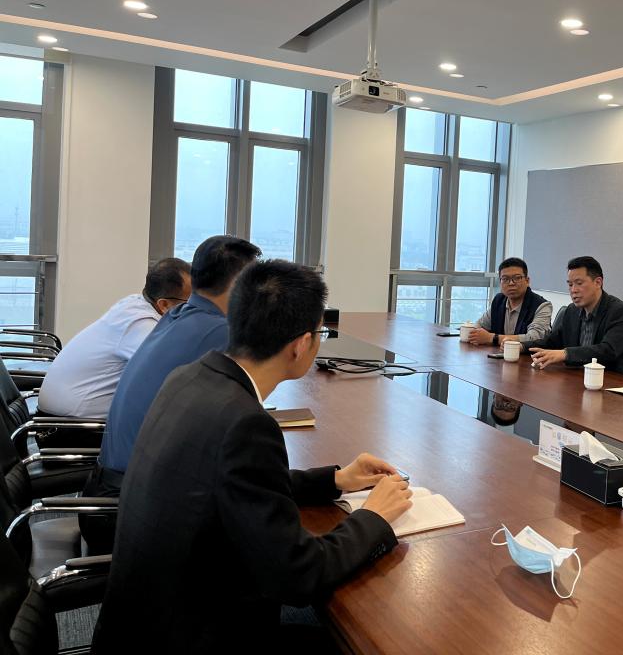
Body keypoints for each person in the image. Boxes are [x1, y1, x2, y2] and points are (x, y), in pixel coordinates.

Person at [91, 260, 412, 654]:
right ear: (301, 345)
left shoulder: (190, 377)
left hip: (139, 627)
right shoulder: (247, 424)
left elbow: (232, 483)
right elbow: (298, 576)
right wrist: (374, 518)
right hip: (194, 636)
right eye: (320, 333)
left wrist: (334, 480)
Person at [82, 235, 261, 551]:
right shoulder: (220, 332)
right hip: (126, 511)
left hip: (105, 491)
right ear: (239, 288)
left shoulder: (176, 317)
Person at [36, 258, 191, 420]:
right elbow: (172, 374)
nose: (195, 306)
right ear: (164, 304)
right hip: (70, 423)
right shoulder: (140, 325)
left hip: (61, 410)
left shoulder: (135, 303)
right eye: (190, 301)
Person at [528, 256, 623, 375]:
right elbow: (551, 342)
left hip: (610, 378)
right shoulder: (571, 311)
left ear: (598, 282)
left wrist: (566, 354)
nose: (573, 290)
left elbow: (608, 350)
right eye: (570, 285)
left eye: (579, 283)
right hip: (576, 376)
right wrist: (520, 346)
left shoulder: (619, 311)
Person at [467, 257, 552, 348]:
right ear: (500, 282)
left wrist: (492, 338)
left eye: (517, 278)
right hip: (498, 354)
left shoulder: (542, 306)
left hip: (527, 356)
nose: (511, 283)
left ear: (527, 281)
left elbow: (535, 338)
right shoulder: (498, 300)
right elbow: (479, 326)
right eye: (505, 279)